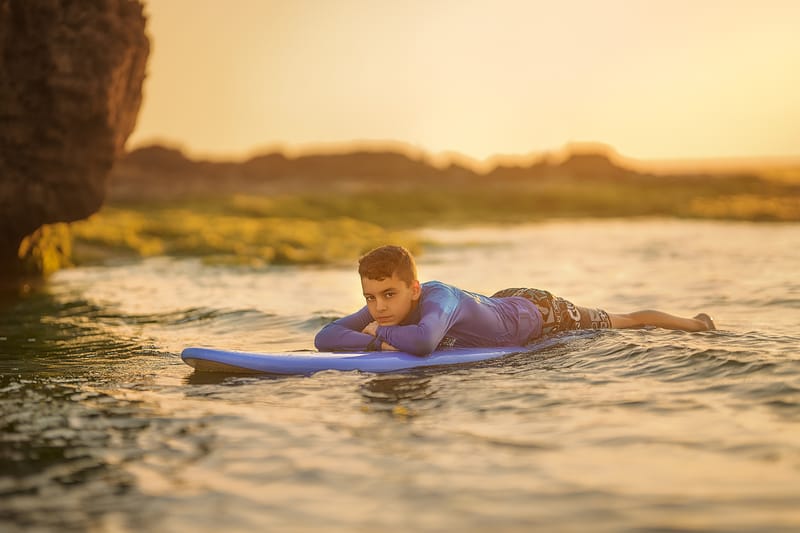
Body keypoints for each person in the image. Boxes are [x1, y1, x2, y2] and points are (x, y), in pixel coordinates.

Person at [314, 245, 715, 356]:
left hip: (540, 312)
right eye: (370, 297)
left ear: (413, 289)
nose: (379, 306)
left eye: (389, 295)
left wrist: (380, 335)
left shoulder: (439, 299)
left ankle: (698, 324)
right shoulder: (384, 306)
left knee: (622, 320)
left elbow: (422, 342)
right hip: (499, 304)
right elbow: (325, 337)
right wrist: (376, 339)